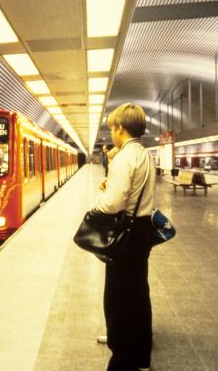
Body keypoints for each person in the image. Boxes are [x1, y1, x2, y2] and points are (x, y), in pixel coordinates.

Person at [92, 103, 156, 371]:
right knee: (138, 290)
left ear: (120, 127)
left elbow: (112, 205)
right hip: (142, 228)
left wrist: (99, 200)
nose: (112, 134)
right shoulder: (145, 154)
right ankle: (141, 354)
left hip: (125, 232)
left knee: (117, 296)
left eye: (112, 128)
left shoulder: (124, 158)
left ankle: (121, 355)